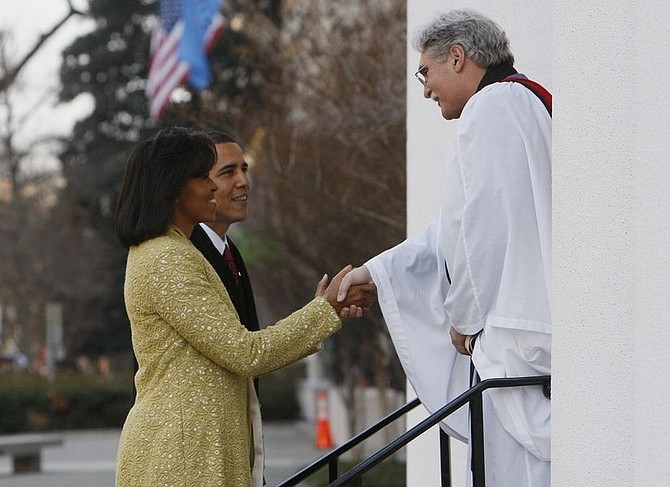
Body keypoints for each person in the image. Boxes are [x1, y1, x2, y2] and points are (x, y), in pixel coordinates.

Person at [338, 9, 551, 486]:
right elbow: (454, 229)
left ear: (457, 58)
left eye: (426, 72)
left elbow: (482, 232)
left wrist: (464, 320)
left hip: (513, 339)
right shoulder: (523, 102)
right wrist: (374, 272)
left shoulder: (491, 109)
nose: (426, 89)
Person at [115, 127, 375, 487]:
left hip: (198, 453)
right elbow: (246, 352)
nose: (212, 187)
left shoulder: (179, 252)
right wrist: (324, 310)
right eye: (204, 176)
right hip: (180, 459)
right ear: (173, 188)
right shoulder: (166, 259)